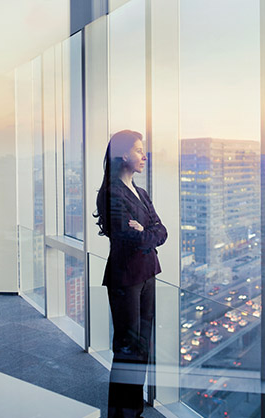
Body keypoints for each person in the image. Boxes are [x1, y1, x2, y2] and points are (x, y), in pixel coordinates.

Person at [95, 130, 167, 418]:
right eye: (139, 150)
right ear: (124, 154)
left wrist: (144, 231)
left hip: (148, 274)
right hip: (125, 278)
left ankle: (133, 411)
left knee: (142, 348)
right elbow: (126, 235)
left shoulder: (142, 193)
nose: (144, 156)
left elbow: (162, 232)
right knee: (127, 349)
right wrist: (144, 233)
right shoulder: (111, 193)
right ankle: (120, 414)